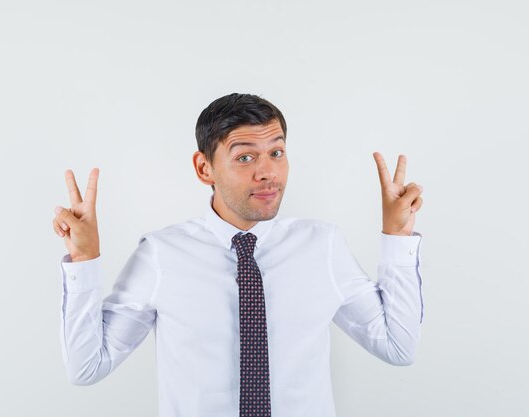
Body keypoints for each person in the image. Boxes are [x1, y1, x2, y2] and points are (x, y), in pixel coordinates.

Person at [52, 93, 424, 417]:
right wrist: (85, 260)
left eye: (276, 153)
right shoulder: (161, 255)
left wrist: (398, 235)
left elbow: (398, 345)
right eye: (245, 158)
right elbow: (87, 367)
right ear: (204, 168)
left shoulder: (322, 246)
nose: (268, 173)